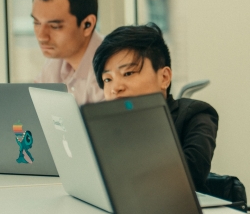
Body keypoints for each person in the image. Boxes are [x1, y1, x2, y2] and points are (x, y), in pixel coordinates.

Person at [92, 23, 219, 193]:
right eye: (108, 79)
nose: (115, 88)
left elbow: (190, 178)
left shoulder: (195, 115)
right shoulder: (105, 127)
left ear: (164, 77)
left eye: (128, 73)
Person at [33, 0, 104, 105]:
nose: (42, 37)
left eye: (54, 26)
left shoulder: (114, 70)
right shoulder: (53, 63)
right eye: (37, 23)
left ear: (87, 25)